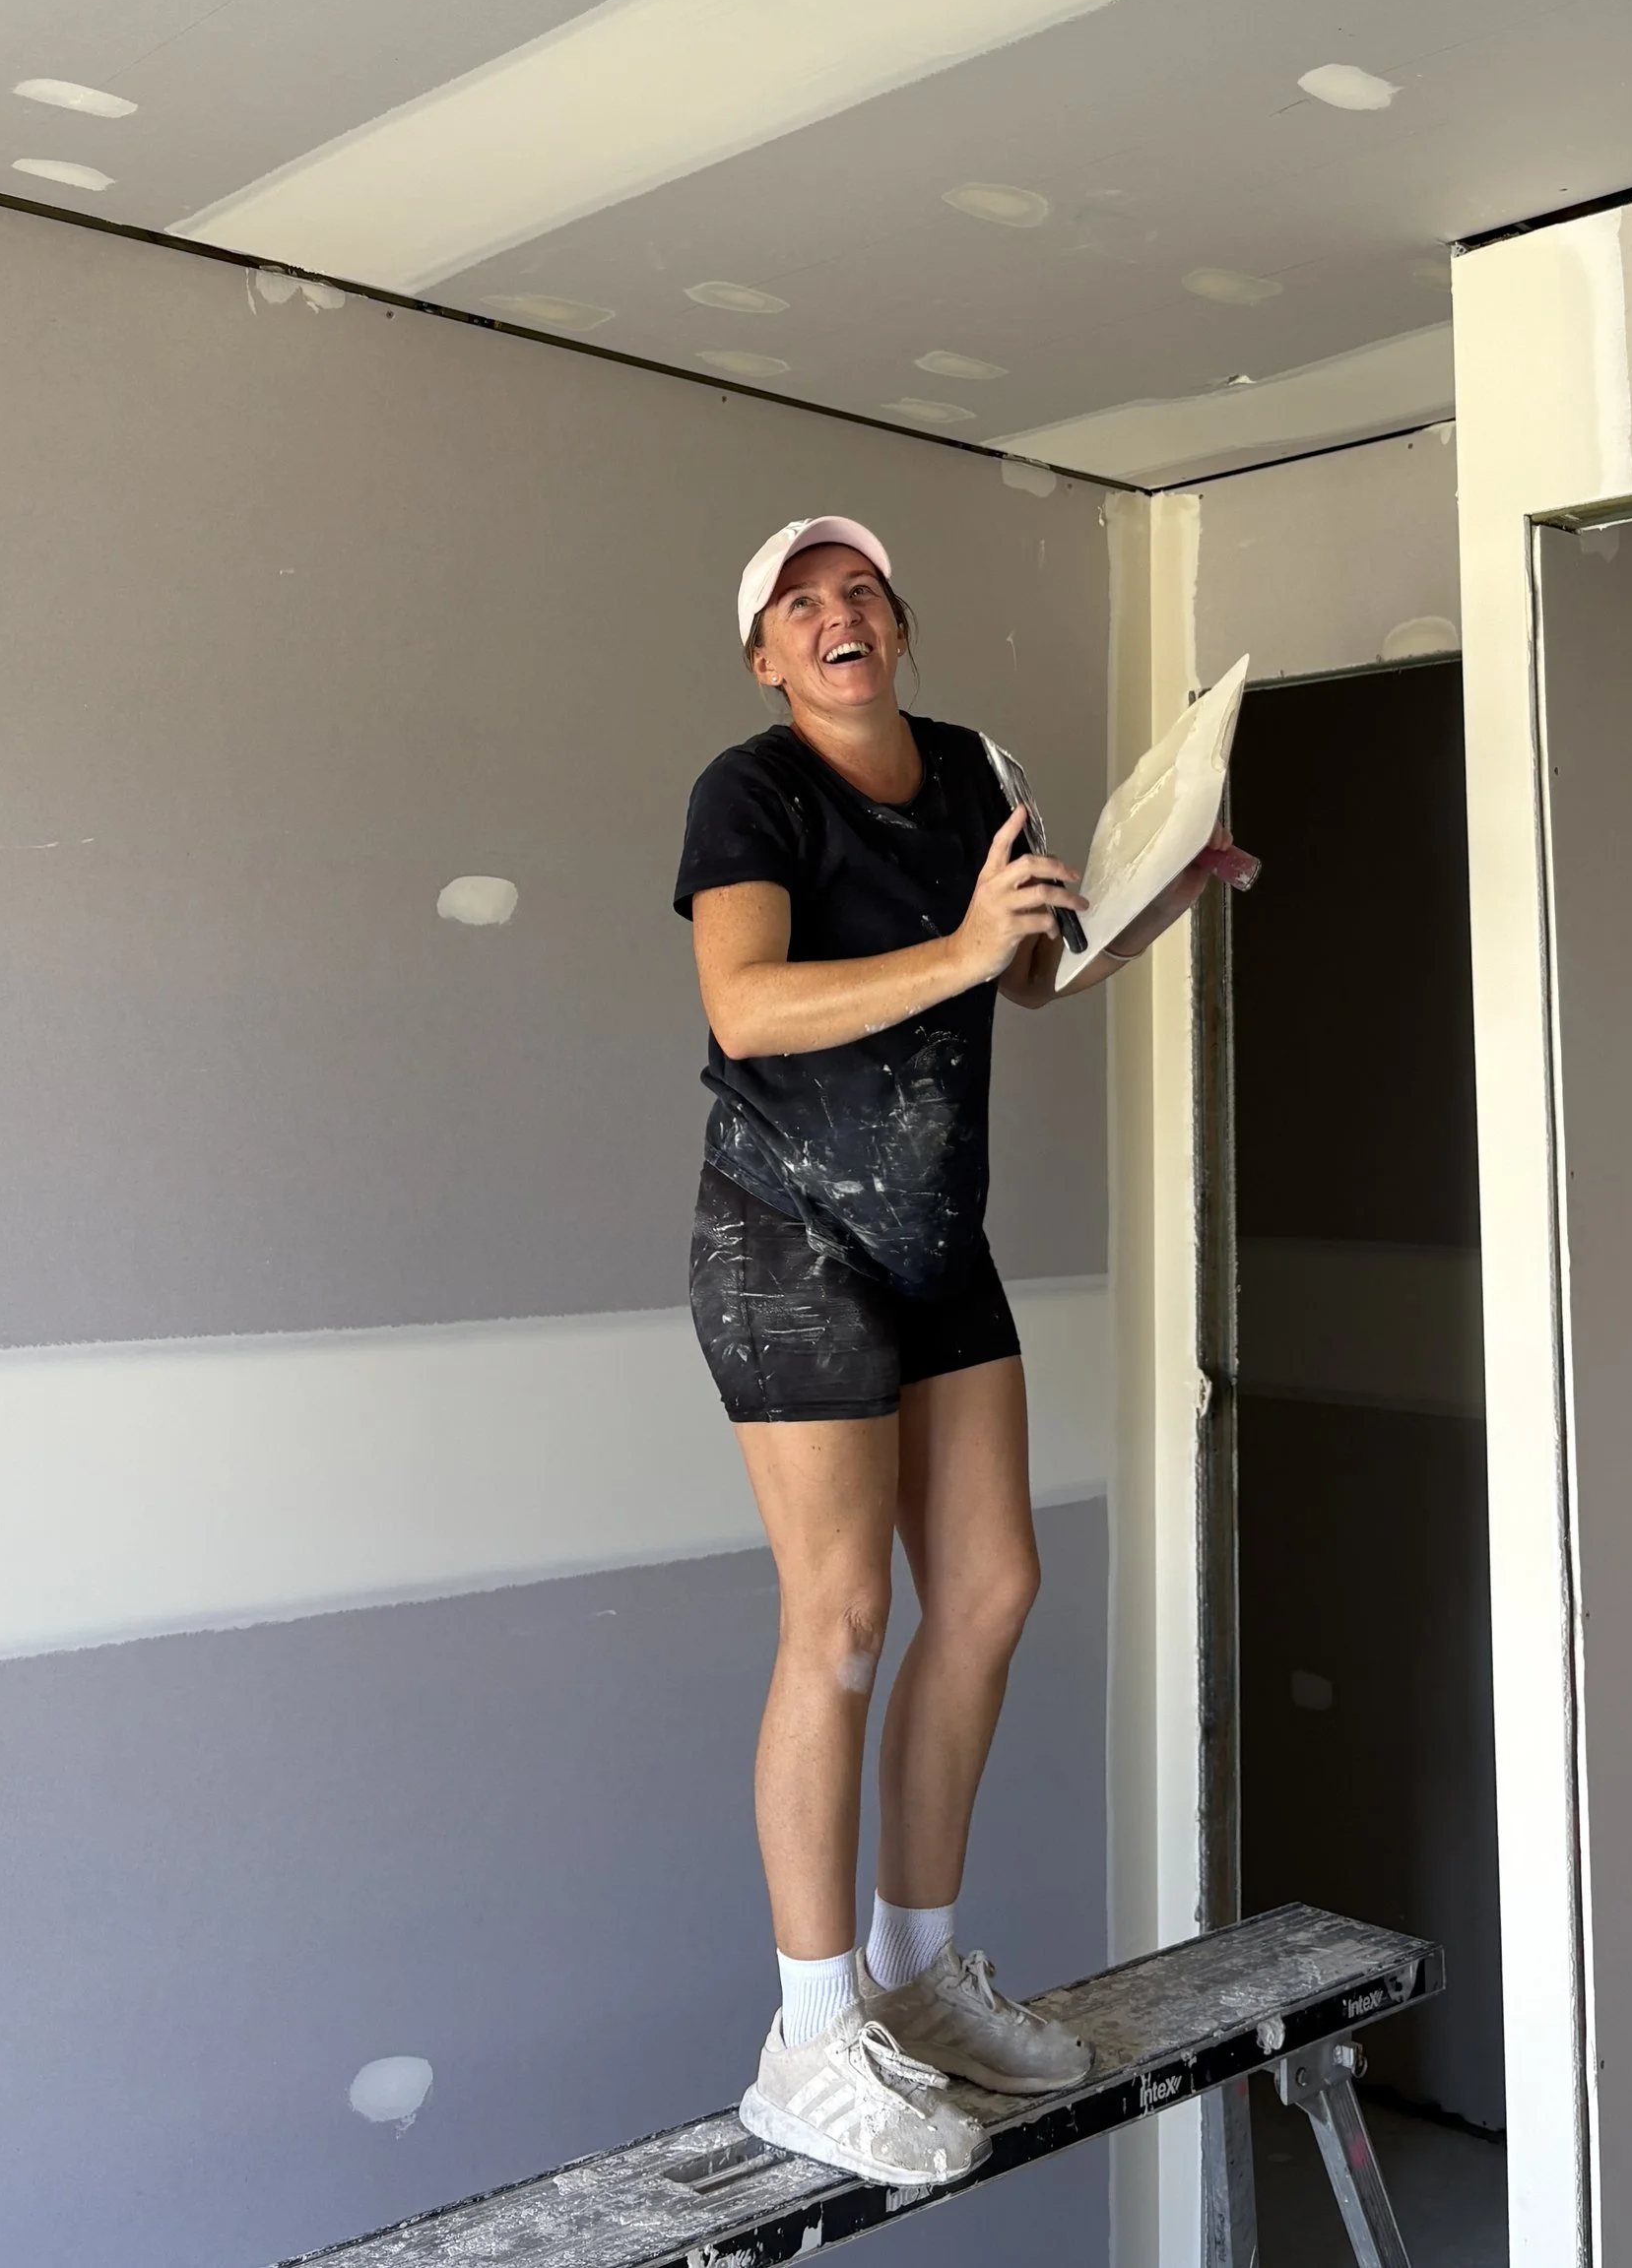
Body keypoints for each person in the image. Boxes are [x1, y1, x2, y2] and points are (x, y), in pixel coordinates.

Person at [678, 512, 1240, 2187]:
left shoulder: (978, 763)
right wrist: (961, 952)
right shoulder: (750, 790)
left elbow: (1039, 975)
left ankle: (917, 1982)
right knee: (842, 1621)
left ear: (896, 623)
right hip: (785, 1240)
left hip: (933, 1243)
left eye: (859, 591)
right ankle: (807, 2032)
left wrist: (1156, 897)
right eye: (800, 604)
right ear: (769, 657)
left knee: (990, 1594)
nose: (838, 615)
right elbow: (747, 1007)